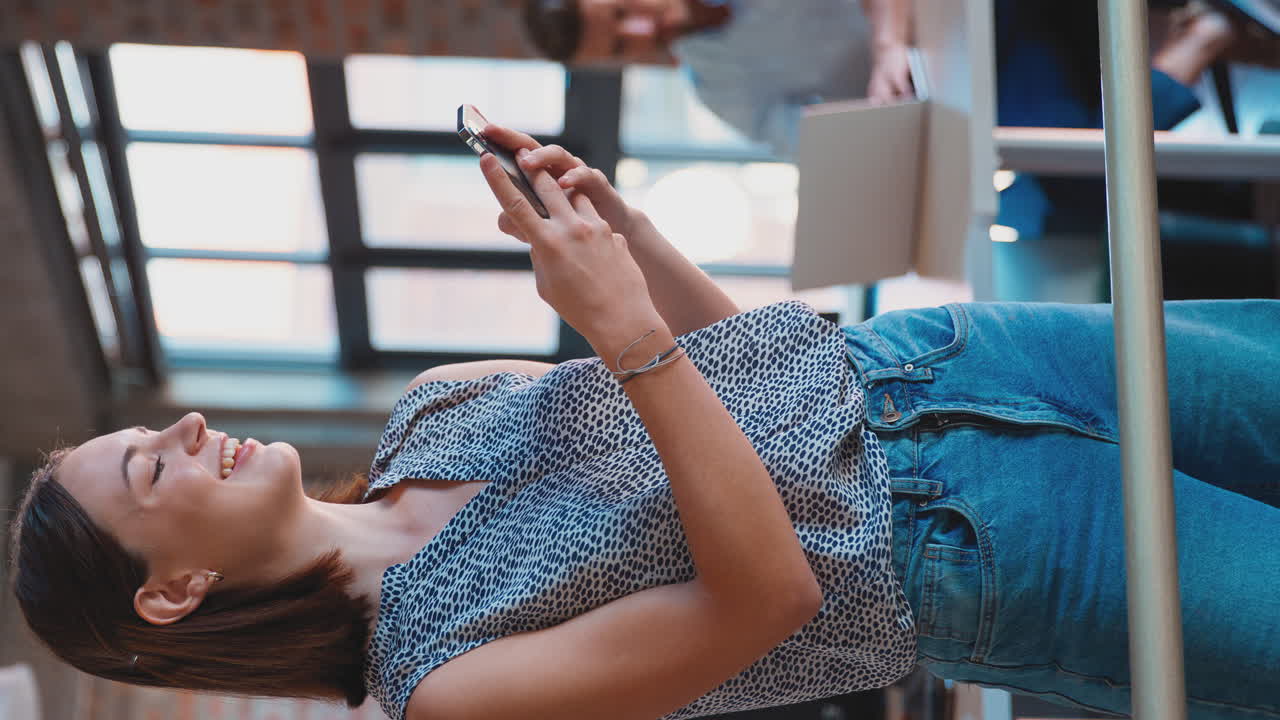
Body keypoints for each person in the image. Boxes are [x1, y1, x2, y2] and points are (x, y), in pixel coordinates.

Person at [8, 124, 1279, 720]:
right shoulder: (442, 687)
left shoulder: (436, 405)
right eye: (147, 466)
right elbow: (765, 595)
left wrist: (630, 241)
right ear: (169, 592)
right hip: (978, 551)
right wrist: (621, 331)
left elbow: (746, 388)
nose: (182, 427)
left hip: (930, 363)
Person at [522, 0, 915, 157]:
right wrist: (871, 110)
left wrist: (889, 44)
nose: (642, 31)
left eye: (622, 10)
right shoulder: (716, 89)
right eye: (620, 47)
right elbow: (820, 144)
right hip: (931, 101)